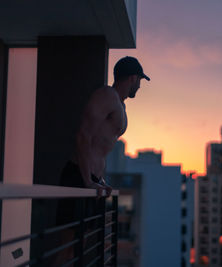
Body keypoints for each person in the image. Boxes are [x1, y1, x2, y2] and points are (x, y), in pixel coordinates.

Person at [54, 56, 150, 265]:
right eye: (140, 81)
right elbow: (83, 136)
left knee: (80, 248)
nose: (140, 87)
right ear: (133, 78)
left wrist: (99, 180)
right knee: (66, 250)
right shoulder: (107, 95)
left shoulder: (120, 106)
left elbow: (101, 145)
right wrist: (87, 179)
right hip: (79, 175)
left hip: (92, 179)